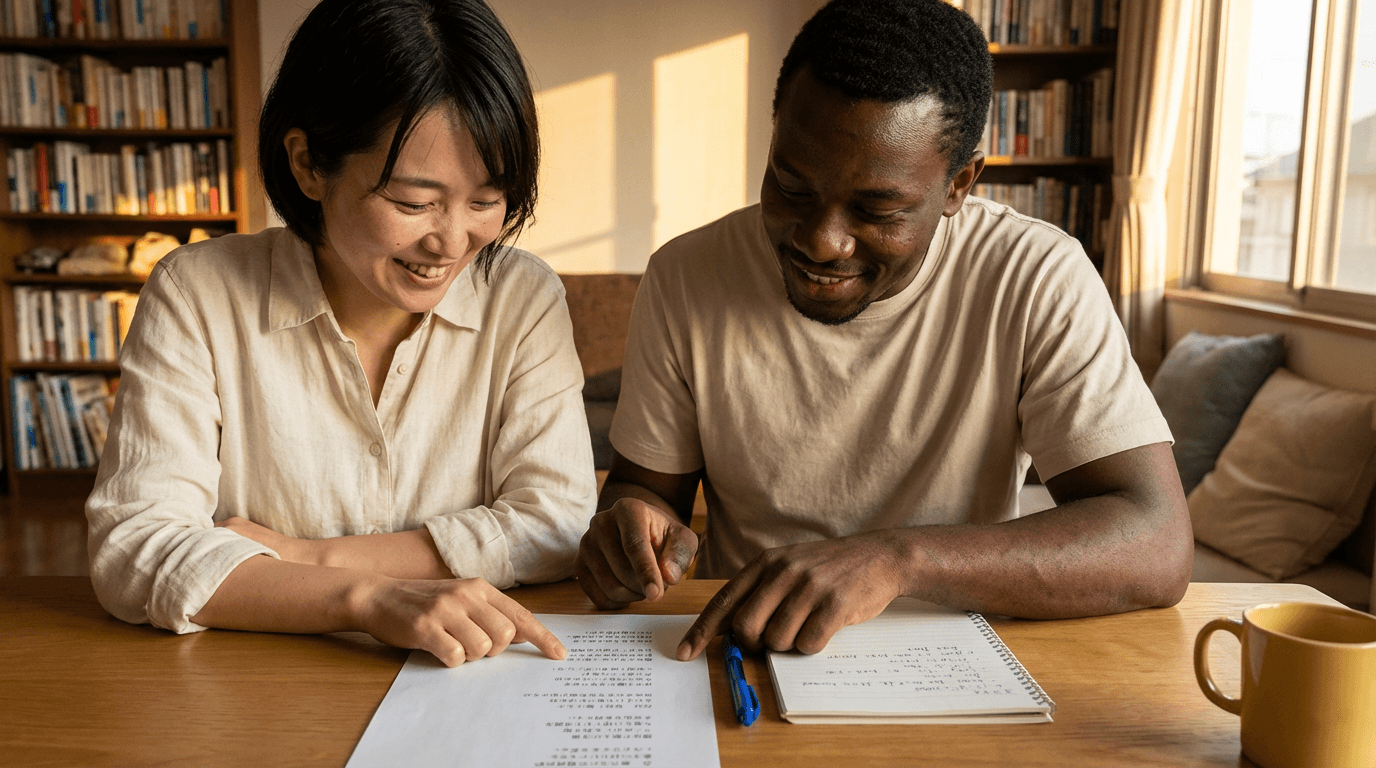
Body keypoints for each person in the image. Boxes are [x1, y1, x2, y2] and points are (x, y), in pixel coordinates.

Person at [574, 0, 1193, 661]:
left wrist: (899, 561)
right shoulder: (687, 274)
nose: (821, 241)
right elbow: (646, 492)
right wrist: (637, 533)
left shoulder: (1035, 275)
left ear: (959, 185)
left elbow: (1155, 542)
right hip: (753, 648)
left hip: (955, 655)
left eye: (877, 210)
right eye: (792, 189)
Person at [85, 0, 596, 667]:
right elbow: (135, 545)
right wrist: (366, 599)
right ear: (308, 165)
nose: (450, 241)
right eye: (412, 203)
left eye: (485, 201)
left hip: (463, 681)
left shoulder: (521, 297)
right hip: (250, 687)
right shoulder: (197, 293)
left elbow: (555, 525)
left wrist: (303, 558)